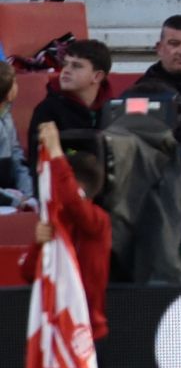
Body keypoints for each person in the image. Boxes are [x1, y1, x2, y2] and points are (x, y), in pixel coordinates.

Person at [22, 122, 110, 337]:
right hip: (53, 331)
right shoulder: (55, 223)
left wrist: (55, 152)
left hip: (85, 332)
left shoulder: (98, 222)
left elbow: (73, 201)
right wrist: (38, 243)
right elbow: (28, 273)